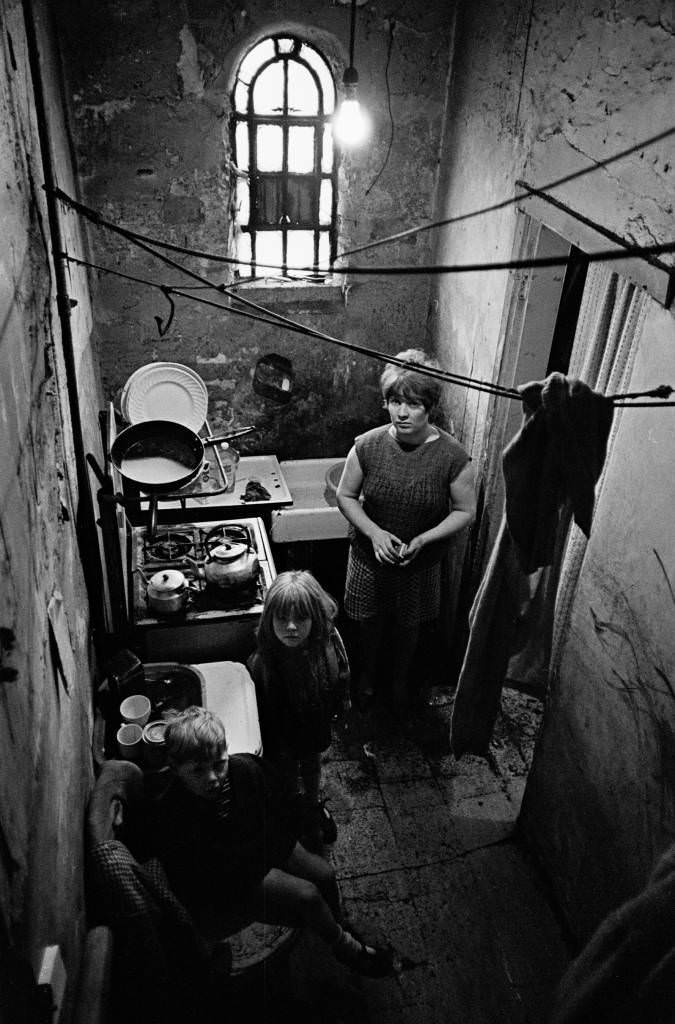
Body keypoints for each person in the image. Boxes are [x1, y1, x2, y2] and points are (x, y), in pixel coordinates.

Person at [148, 706, 392, 977]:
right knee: (308, 896)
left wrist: (280, 842)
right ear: (175, 768)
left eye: (219, 764)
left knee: (326, 874)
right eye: (198, 771)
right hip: (235, 878)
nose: (213, 778)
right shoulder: (174, 811)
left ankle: (336, 925)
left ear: (227, 751)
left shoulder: (244, 769)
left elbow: (280, 804)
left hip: (259, 845)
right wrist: (266, 859)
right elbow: (206, 871)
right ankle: (345, 948)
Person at [336, 348, 476, 710]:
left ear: (430, 406)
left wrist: (425, 538)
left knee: (408, 628)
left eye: (412, 404)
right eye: (395, 401)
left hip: (420, 561)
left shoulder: (453, 457)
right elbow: (346, 496)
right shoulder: (366, 446)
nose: (401, 412)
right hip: (370, 557)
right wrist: (374, 533)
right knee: (368, 623)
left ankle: (400, 682)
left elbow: (465, 510)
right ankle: (365, 678)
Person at [247, 570, 351, 850]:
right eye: (282, 619)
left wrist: (341, 704)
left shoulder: (324, 644)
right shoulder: (263, 662)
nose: (291, 627)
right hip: (283, 733)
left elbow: (341, 673)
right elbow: (262, 710)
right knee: (288, 771)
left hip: (314, 722)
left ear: (315, 619)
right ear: (269, 620)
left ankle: (313, 805)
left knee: (313, 764)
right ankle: (295, 810)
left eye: (301, 618)